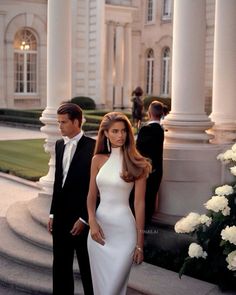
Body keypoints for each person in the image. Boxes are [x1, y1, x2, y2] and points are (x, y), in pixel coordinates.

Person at [87, 112, 151, 295]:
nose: (120, 135)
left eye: (123, 131)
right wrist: (92, 221)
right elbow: (91, 195)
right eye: (115, 131)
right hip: (99, 233)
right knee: (101, 289)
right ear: (105, 133)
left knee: (112, 290)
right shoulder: (97, 160)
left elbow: (139, 204)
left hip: (125, 233)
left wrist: (140, 243)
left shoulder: (138, 163)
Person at [47, 102, 95, 295]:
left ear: (77, 122)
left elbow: (96, 189)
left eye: (63, 122)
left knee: (87, 268)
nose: (60, 127)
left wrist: (84, 218)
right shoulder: (59, 145)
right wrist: (52, 213)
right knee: (60, 266)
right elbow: (58, 183)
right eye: (58, 122)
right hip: (60, 217)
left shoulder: (94, 148)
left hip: (83, 219)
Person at [136, 101, 164, 225]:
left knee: (142, 199)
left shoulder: (146, 129)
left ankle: (141, 226)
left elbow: (138, 149)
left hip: (145, 169)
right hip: (158, 169)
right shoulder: (161, 129)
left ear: (149, 113)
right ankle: (146, 225)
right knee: (151, 198)